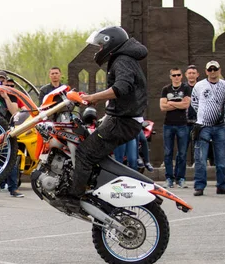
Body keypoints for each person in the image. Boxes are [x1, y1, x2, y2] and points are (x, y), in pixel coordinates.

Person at [67, 26, 148, 207]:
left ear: (110, 43)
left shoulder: (122, 60)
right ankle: (90, 186)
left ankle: (74, 198)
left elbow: (121, 87)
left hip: (122, 122)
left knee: (85, 153)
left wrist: (94, 97)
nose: (99, 50)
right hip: (120, 118)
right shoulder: (123, 58)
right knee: (88, 143)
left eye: (100, 46)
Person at [190, 60, 225, 196]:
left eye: (215, 69)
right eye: (210, 70)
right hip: (203, 126)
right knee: (201, 158)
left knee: (221, 158)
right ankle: (199, 186)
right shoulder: (199, 85)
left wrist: (217, 114)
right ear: (206, 71)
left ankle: (222, 185)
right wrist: (204, 115)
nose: (213, 72)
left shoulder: (224, 85)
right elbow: (194, 102)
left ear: (219, 70)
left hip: (219, 126)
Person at [160, 67, 191, 188]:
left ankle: (181, 178)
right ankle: (169, 178)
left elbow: (186, 104)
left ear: (181, 76)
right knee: (168, 152)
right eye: (174, 75)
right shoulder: (165, 89)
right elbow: (162, 107)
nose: (176, 77)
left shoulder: (186, 88)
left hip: (182, 124)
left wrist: (171, 103)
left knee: (182, 153)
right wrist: (178, 104)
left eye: (178, 75)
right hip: (168, 124)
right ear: (170, 77)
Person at [185, 65, 200, 166]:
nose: (191, 75)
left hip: (198, 121)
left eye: (193, 73)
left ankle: (197, 163)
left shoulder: (201, 87)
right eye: (189, 73)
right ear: (186, 75)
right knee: (183, 146)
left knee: (198, 145)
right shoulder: (182, 88)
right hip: (184, 122)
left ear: (197, 75)